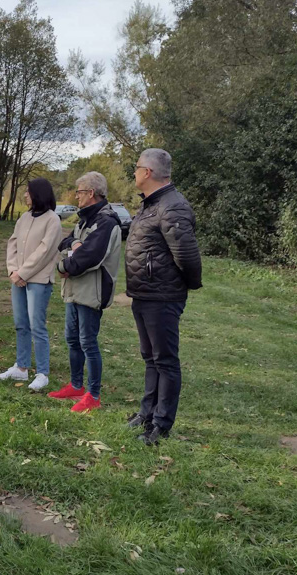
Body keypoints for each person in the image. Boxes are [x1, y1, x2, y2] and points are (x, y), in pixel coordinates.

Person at [125, 149, 201, 445]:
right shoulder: (151, 204)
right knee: (150, 358)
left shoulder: (173, 206)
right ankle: (146, 413)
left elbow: (188, 256)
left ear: (148, 173)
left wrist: (181, 288)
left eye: (136, 168)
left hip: (162, 296)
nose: (134, 173)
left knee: (165, 360)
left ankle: (161, 424)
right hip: (144, 294)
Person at [47, 172, 122, 413]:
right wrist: (75, 245)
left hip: (92, 292)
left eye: (79, 191)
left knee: (88, 342)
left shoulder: (107, 222)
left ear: (91, 193)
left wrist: (64, 265)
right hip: (74, 291)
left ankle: (93, 394)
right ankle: (77, 386)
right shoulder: (83, 220)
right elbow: (64, 242)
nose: (76, 196)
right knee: (72, 339)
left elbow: (89, 258)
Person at [0, 178, 63, 390]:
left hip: (38, 280)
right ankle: (22, 367)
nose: (25, 196)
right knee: (21, 323)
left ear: (38, 194)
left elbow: (45, 251)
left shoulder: (52, 220)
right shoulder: (24, 218)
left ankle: (43, 372)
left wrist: (23, 272)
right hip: (18, 278)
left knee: (37, 326)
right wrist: (12, 270)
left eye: (28, 192)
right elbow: (13, 244)